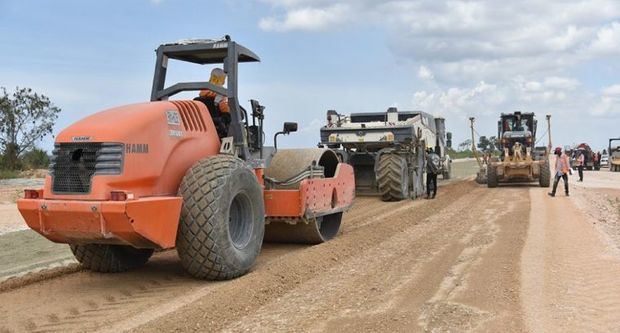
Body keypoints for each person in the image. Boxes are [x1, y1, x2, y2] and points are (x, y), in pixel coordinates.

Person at [194, 68, 230, 138]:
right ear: (222, 80)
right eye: (224, 79)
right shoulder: (221, 97)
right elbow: (226, 112)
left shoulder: (201, 95)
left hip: (201, 126)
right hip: (217, 129)